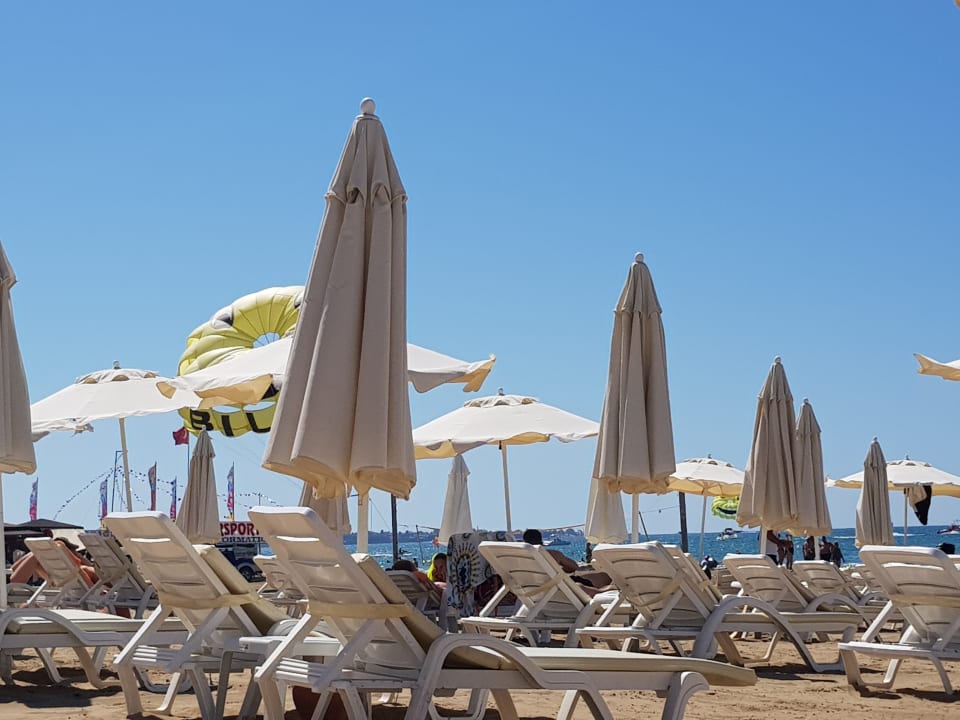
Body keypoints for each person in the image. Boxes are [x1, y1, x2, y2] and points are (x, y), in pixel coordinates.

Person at [521, 528, 611, 594]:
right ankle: (606, 590)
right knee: (605, 576)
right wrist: (560, 569)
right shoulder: (553, 554)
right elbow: (574, 567)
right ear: (540, 541)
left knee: (590, 576)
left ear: (524, 541)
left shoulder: (518, 558)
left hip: (533, 590)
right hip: (560, 587)